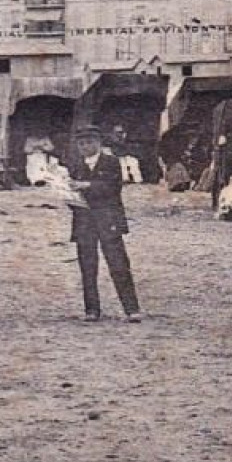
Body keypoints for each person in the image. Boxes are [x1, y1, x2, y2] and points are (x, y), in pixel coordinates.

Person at [68, 124, 142, 322]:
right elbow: (71, 194)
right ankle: (91, 310)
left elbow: (111, 187)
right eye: (81, 143)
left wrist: (87, 185)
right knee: (87, 266)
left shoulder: (111, 162)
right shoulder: (75, 165)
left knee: (118, 264)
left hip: (108, 218)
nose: (85, 147)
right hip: (84, 220)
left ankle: (131, 309)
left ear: (98, 143)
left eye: (89, 142)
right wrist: (68, 196)